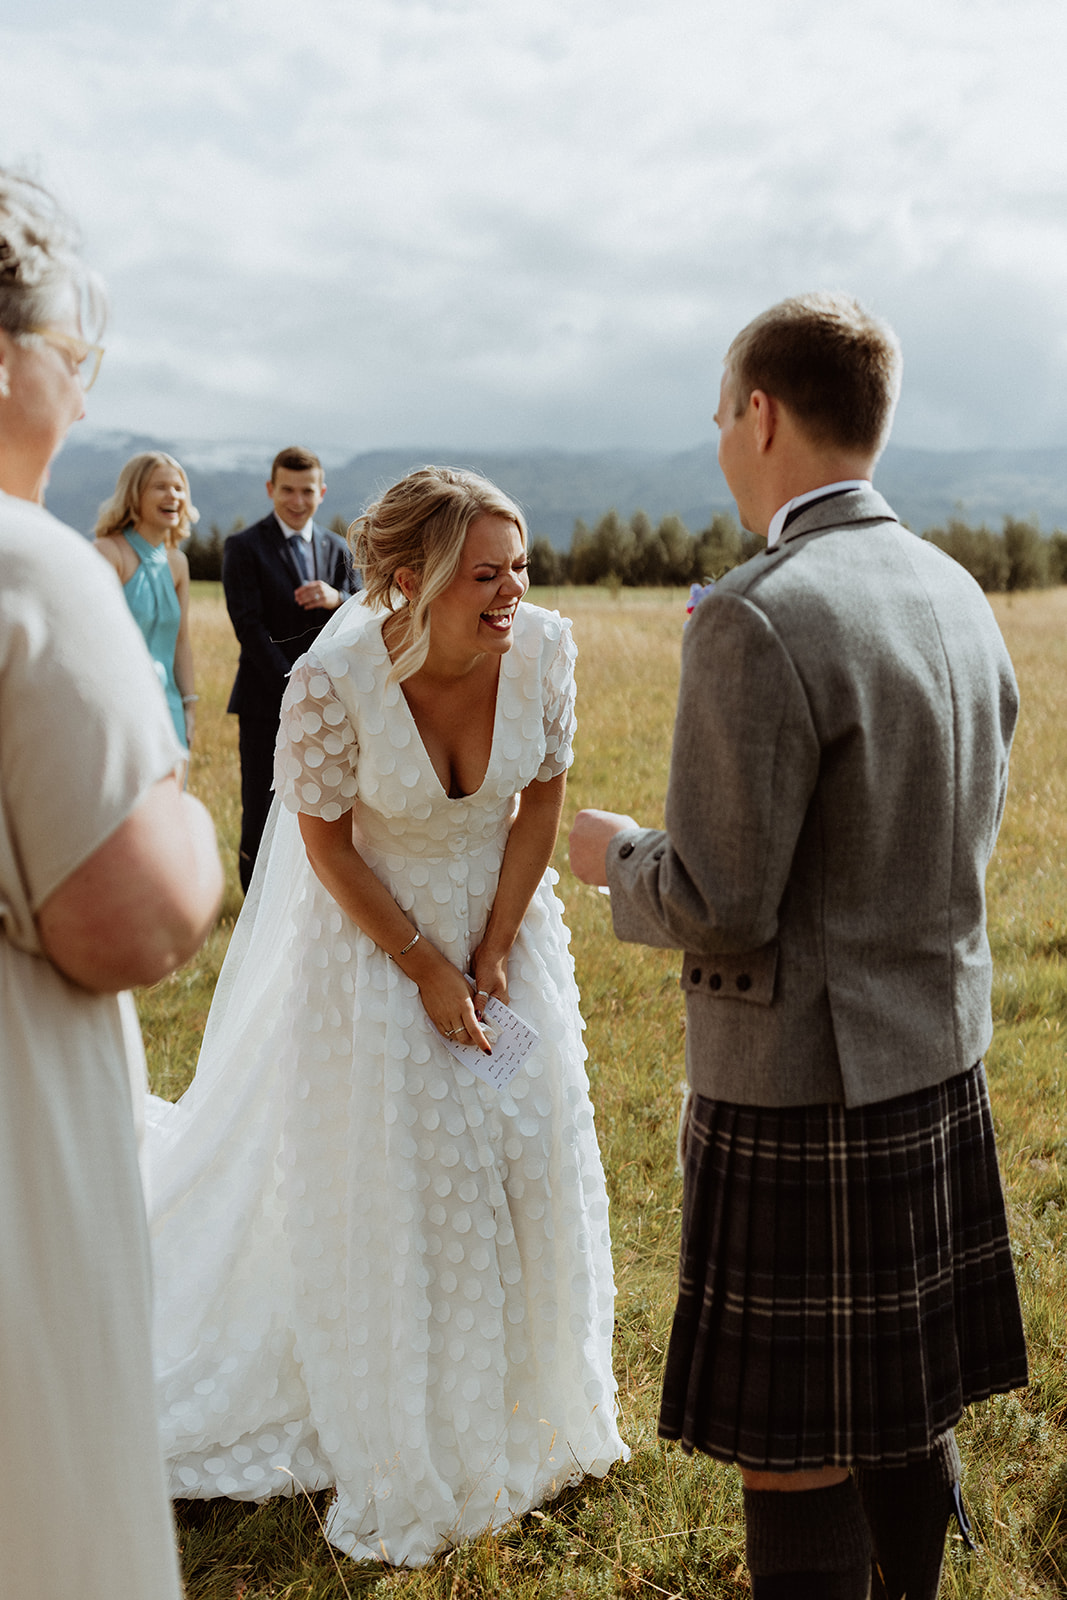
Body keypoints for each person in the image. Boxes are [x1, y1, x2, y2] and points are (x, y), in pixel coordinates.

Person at [569, 293, 1027, 1600]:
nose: (718, 444)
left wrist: (612, 856)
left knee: (792, 1454)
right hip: (936, 1062)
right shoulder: (951, 589)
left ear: (759, 414)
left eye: (720, 416)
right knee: (900, 1401)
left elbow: (718, 900)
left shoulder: (755, 612)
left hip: (800, 1084)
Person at [144, 465, 628, 1566]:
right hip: (374, 940)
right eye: (483, 574)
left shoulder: (545, 650)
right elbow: (319, 844)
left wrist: (496, 944)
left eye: (519, 567)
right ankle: (415, 1419)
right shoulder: (334, 680)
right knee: (412, 1176)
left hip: (504, 926)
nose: (511, 591)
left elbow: (542, 791)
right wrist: (421, 965)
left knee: (529, 1154)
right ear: (406, 582)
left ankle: (534, 1403)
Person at [0, 168, 223, 1600]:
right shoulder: (29, 571)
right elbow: (128, 914)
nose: (80, 395)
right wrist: (187, 821)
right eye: (70, 357)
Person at [222, 445, 358, 889]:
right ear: (270, 489)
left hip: (332, 705)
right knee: (260, 804)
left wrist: (337, 599)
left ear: (321, 491)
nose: (297, 501)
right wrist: (291, 685)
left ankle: (307, 894)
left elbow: (364, 612)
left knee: (324, 805)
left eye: (306, 491)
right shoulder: (243, 548)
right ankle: (253, 905)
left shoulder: (339, 548)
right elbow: (249, 626)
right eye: (287, 490)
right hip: (265, 701)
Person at [94, 451, 199, 755]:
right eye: (160, 487)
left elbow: (181, 641)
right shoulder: (107, 552)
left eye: (179, 488)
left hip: (169, 708)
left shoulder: (178, 563)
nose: (173, 496)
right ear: (134, 494)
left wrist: (189, 707)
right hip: (117, 705)